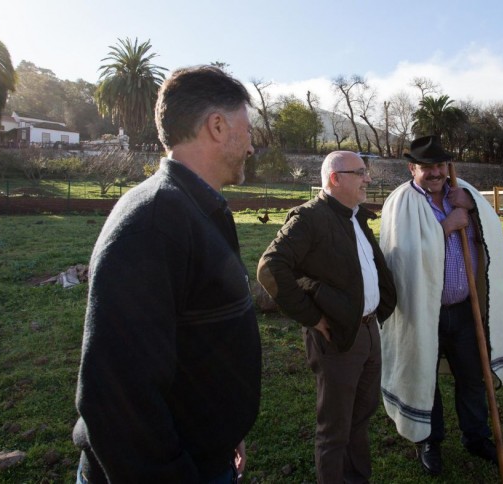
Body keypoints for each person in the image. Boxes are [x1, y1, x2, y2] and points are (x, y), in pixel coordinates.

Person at [73, 66, 261, 482]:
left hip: (206, 453)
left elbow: (197, 340)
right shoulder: (154, 221)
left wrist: (225, 428)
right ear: (217, 126)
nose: (251, 147)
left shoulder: (198, 209)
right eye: (247, 130)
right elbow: (115, 398)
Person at [379, 135, 503, 476]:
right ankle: (430, 440)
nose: (437, 172)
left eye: (441, 165)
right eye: (428, 167)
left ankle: (476, 436)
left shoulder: (464, 194)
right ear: (412, 168)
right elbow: (401, 258)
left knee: (472, 376)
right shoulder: (402, 203)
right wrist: (444, 228)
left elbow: (492, 234)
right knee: (425, 373)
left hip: (465, 309)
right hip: (424, 311)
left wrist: (470, 205)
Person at [257, 151, 396, 483]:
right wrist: (311, 317)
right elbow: (270, 268)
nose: (368, 179)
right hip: (335, 337)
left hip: (367, 331)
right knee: (334, 430)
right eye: (360, 172)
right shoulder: (309, 218)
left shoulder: (355, 216)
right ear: (335, 178)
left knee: (360, 418)